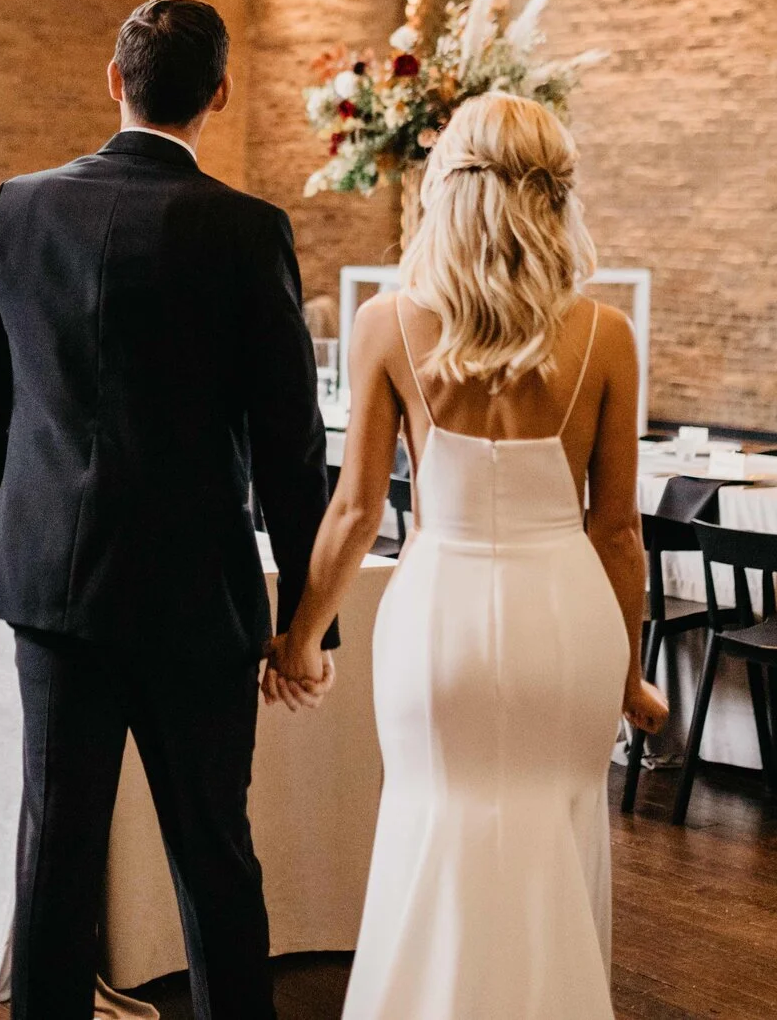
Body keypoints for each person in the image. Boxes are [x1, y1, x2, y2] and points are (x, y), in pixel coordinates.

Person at [0, 0, 332, 1020]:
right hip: (195, 598)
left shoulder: (17, 208)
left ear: (111, 80)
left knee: (55, 852)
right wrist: (305, 614)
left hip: (55, 592)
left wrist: (28, 533)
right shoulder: (249, 231)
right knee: (213, 853)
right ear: (219, 94)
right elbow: (295, 446)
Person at [265, 90, 665, 1019]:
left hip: (438, 615)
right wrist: (631, 674)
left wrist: (301, 639)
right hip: (565, 624)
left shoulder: (387, 324)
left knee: (431, 822)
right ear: (555, 197)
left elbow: (357, 511)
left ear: (445, 191)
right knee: (556, 839)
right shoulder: (606, 336)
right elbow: (617, 534)